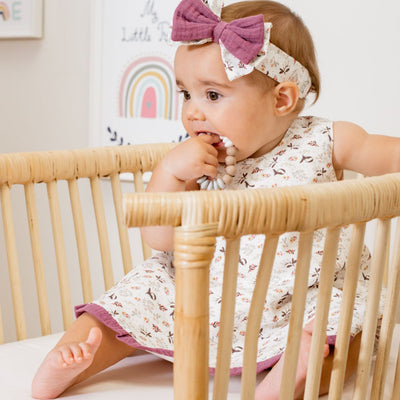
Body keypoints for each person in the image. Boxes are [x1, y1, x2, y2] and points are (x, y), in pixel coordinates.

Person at [31, 0, 400, 399]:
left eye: (211, 94)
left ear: (281, 100)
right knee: (138, 291)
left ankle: (290, 376)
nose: (192, 112)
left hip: (297, 301)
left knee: (348, 317)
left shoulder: (327, 140)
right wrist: (171, 173)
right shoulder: (196, 160)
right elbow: (160, 237)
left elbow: (388, 155)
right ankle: (75, 355)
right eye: (185, 94)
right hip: (201, 299)